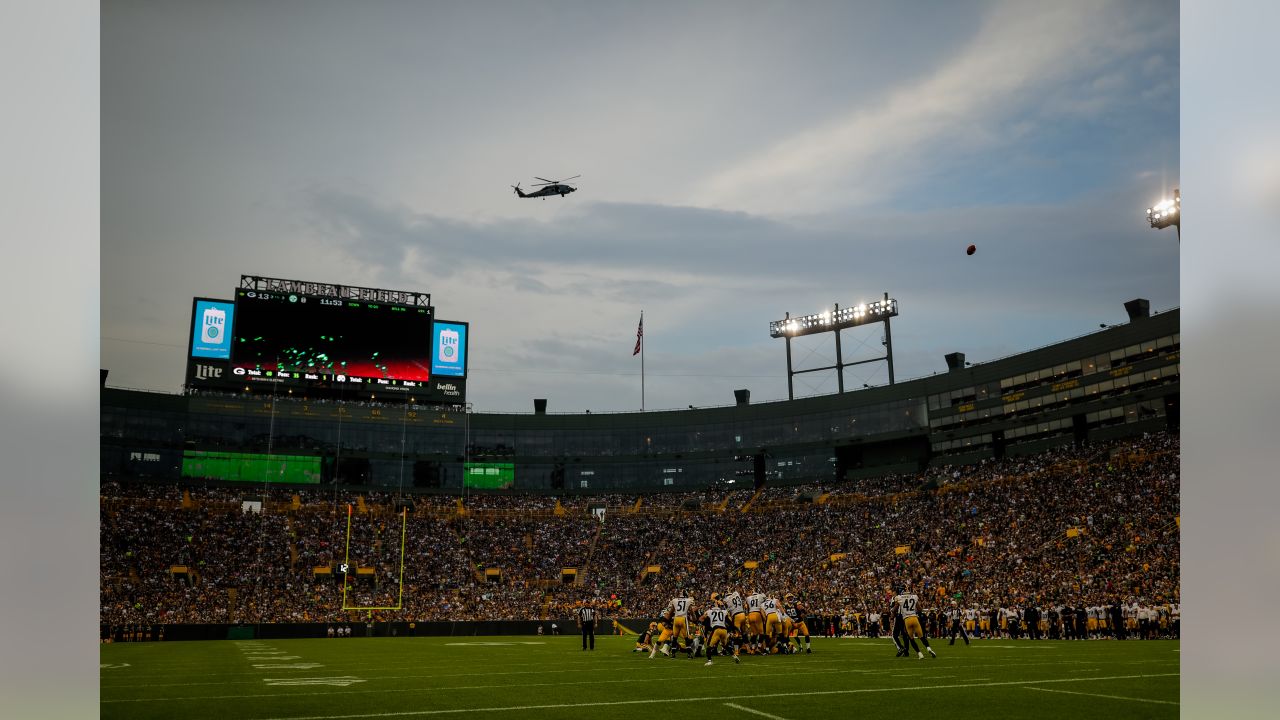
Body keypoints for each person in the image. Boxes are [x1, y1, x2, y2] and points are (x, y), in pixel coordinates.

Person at [892, 583, 937, 659]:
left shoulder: (899, 597)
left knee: (911, 638)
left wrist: (897, 606)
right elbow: (920, 609)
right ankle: (929, 648)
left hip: (906, 620)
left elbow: (894, 610)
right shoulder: (914, 596)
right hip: (914, 618)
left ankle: (920, 654)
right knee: (922, 637)